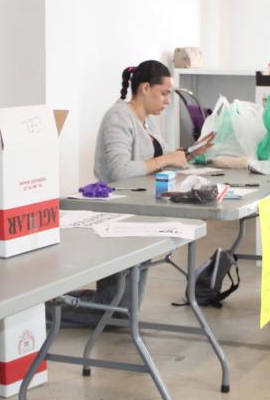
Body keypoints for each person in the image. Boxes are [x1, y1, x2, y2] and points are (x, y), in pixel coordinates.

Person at [68, 61, 214, 324]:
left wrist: (190, 154)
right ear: (145, 88)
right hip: (118, 214)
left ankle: (62, 305)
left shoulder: (147, 122)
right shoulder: (118, 117)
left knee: (125, 308)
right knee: (118, 310)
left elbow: (165, 156)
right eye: (164, 93)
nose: (168, 100)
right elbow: (120, 170)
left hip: (141, 210)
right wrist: (165, 159)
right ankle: (49, 311)